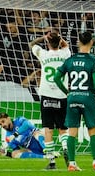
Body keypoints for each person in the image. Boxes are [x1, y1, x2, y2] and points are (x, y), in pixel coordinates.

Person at [54, 31, 95, 171]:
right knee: (92, 131)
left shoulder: (69, 60)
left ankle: (72, 163)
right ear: (91, 42)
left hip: (72, 97)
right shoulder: (93, 61)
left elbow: (56, 78)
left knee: (72, 132)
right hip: (87, 97)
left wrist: (67, 92)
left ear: (78, 42)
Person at [29, 32, 71, 169]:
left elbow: (32, 45)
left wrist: (43, 37)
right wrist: (59, 38)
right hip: (62, 95)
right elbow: (66, 45)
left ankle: (52, 161)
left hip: (46, 95)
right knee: (63, 129)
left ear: (48, 42)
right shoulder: (65, 54)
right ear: (59, 42)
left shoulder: (43, 54)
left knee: (48, 129)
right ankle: (65, 148)